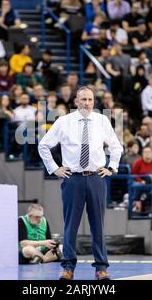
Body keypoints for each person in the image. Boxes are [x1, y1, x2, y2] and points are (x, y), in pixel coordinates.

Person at [38, 86, 123, 280]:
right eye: (83, 99)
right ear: (76, 101)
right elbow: (43, 145)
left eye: (90, 100)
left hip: (96, 178)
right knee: (71, 226)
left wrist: (112, 167)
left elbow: (116, 146)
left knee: (98, 226)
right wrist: (54, 168)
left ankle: (101, 268)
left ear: (94, 102)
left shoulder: (102, 121)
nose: (87, 103)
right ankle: (68, 268)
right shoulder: (64, 121)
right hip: (73, 179)